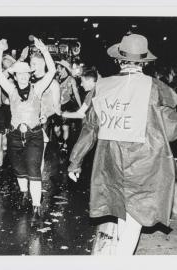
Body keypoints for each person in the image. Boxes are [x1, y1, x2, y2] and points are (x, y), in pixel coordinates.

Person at [68, 34, 177, 255]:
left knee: (122, 211)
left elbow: (90, 128)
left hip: (110, 162)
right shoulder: (157, 88)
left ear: (119, 60)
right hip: (145, 164)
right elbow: (172, 131)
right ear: (145, 62)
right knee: (134, 216)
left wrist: (75, 162)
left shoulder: (102, 86)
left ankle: (119, 254)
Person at [0, 37, 56, 220]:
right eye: (19, 74)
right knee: (19, 170)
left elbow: (51, 70)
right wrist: (0, 50)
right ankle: (23, 193)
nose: (22, 76)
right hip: (14, 135)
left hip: (34, 135)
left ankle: (36, 207)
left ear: (30, 75)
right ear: (15, 75)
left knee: (34, 170)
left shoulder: (37, 88)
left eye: (25, 74)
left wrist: (45, 51)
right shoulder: (11, 89)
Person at [30, 52, 61, 172]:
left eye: (34, 63)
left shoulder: (53, 83)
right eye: (30, 63)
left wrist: (55, 120)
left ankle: (36, 183)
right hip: (27, 121)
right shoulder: (27, 80)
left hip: (43, 123)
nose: (31, 66)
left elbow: (56, 106)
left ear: (43, 64)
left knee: (39, 155)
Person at [55, 60, 81, 153]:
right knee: (56, 129)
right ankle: (60, 140)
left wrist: (80, 106)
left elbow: (76, 93)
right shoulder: (56, 78)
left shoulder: (71, 79)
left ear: (64, 68)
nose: (57, 70)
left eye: (59, 68)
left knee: (65, 127)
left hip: (67, 105)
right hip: (57, 106)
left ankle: (65, 144)